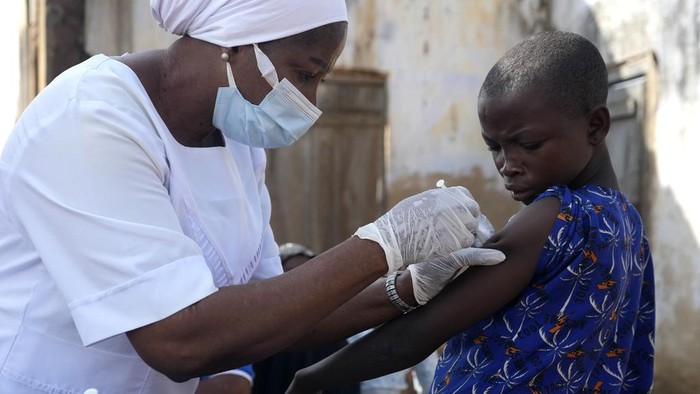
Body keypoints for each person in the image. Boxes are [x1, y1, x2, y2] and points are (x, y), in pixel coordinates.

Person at [0, 1, 507, 393]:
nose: (309, 103)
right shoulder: (92, 121)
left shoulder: (234, 139)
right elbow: (176, 339)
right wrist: (383, 244)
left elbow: (277, 308)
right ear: (235, 43)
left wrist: (405, 288)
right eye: (305, 73)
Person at [285, 31, 656, 393]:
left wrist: (310, 379)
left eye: (527, 144)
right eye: (494, 147)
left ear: (595, 125)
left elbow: (413, 338)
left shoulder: (554, 217)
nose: (506, 164)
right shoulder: (630, 226)